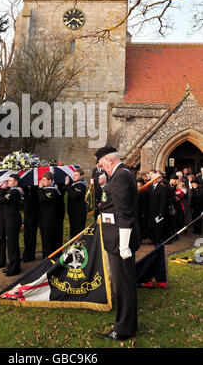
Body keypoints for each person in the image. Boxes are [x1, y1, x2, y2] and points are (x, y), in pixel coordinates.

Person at [95, 146, 141, 341]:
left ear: (109, 160)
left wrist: (123, 245)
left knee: (123, 285)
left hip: (119, 241)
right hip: (117, 238)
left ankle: (122, 329)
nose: (100, 167)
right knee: (125, 283)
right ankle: (128, 325)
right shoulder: (121, 174)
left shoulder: (121, 176)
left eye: (101, 163)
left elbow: (125, 213)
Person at [0, 174, 23, 276]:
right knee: (10, 244)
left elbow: (0, 201)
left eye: (10, 181)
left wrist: (2, 190)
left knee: (12, 244)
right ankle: (11, 266)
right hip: (9, 219)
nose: (8, 182)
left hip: (13, 220)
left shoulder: (14, 191)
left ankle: (14, 268)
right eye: (8, 180)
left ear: (16, 182)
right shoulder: (12, 190)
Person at [38, 171, 61, 258]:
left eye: (44, 180)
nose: (42, 182)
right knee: (44, 239)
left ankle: (48, 258)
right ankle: (45, 257)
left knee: (48, 239)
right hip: (43, 218)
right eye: (42, 180)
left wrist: (40, 189)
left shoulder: (52, 191)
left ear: (50, 181)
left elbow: (42, 199)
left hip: (49, 219)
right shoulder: (46, 190)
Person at [147, 172, 169, 247]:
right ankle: (153, 240)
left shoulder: (162, 188)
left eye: (154, 178)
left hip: (158, 211)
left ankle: (157, 241)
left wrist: (161, 212)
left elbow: (163, 201)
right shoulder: (149, 187)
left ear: (158, 179)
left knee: (158, 227)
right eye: (152, 178)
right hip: (150, 211)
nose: (153, 180)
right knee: (151, 226)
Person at [65, 168, 87, 239]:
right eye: (74, 175)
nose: (74, 176)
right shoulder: (74, 184)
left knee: (78, 233)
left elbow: (73, 195)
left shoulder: (81, 185)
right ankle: (72, 248)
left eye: (76, 175)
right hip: (73, 213)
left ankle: (78, 249)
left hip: (79, 213)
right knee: (73, 232)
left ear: (81, 176)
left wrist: (67, 185)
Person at [21, 185, 39, 263]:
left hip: (34, 215)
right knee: (26, 235)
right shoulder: (25, 187)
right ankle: (26, 254)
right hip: (26, 214)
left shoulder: (36, 187)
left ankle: (31, 256)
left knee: (32, 236)